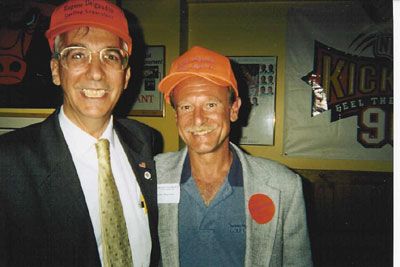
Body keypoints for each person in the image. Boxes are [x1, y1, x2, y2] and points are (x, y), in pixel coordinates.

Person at [0, 1, 160, 266]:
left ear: (127, 76)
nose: (96, 73)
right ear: (56, 71)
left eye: (110, 56)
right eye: (77, 55)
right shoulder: (8, 162)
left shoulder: (144, 141)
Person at [156, 46, 312, 266]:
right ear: (176, 116)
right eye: (186, 106)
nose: (198, 120)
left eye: (211, 105)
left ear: (234, 109)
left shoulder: (284, 186)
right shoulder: (150, 176)